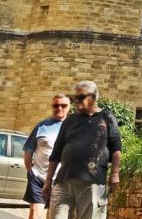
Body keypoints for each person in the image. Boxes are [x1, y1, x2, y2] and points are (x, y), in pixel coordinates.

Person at [43, 81, 122, 219]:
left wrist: (115, 173)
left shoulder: (106, 117)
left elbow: (116, 147)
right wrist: (48, 181)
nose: (76, 101)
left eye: (81, 97)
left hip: (92, 181)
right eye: (75, 98)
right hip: (64, 180)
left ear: (93, 97)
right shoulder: (70, 120)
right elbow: (56, 152)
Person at [23, 93, 71, 219]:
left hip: (61, 181)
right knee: (35, 214)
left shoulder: (73, 128)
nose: (59, 108)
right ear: (51, 106)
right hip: (38, 178)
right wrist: (30, 171)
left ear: (69, 107)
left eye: (63, 105)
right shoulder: (41, 126)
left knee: (54, 216)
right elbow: (28, 150)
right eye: (56, 105)